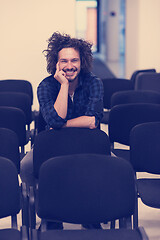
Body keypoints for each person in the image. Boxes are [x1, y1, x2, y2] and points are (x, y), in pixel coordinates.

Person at [20, 32, 104, 230]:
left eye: (74, 60)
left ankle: (93, 214)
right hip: (52, 147)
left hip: (87, 145)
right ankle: (49, 214)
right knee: (25, 166)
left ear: (82, 61)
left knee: (114, 166)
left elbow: (92, 120)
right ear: (56, 64)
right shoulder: (46, 86)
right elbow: (56, 118)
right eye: (64, 61)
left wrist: (62, 124)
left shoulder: (94, 83)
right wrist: (64, 85)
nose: (69, 66)